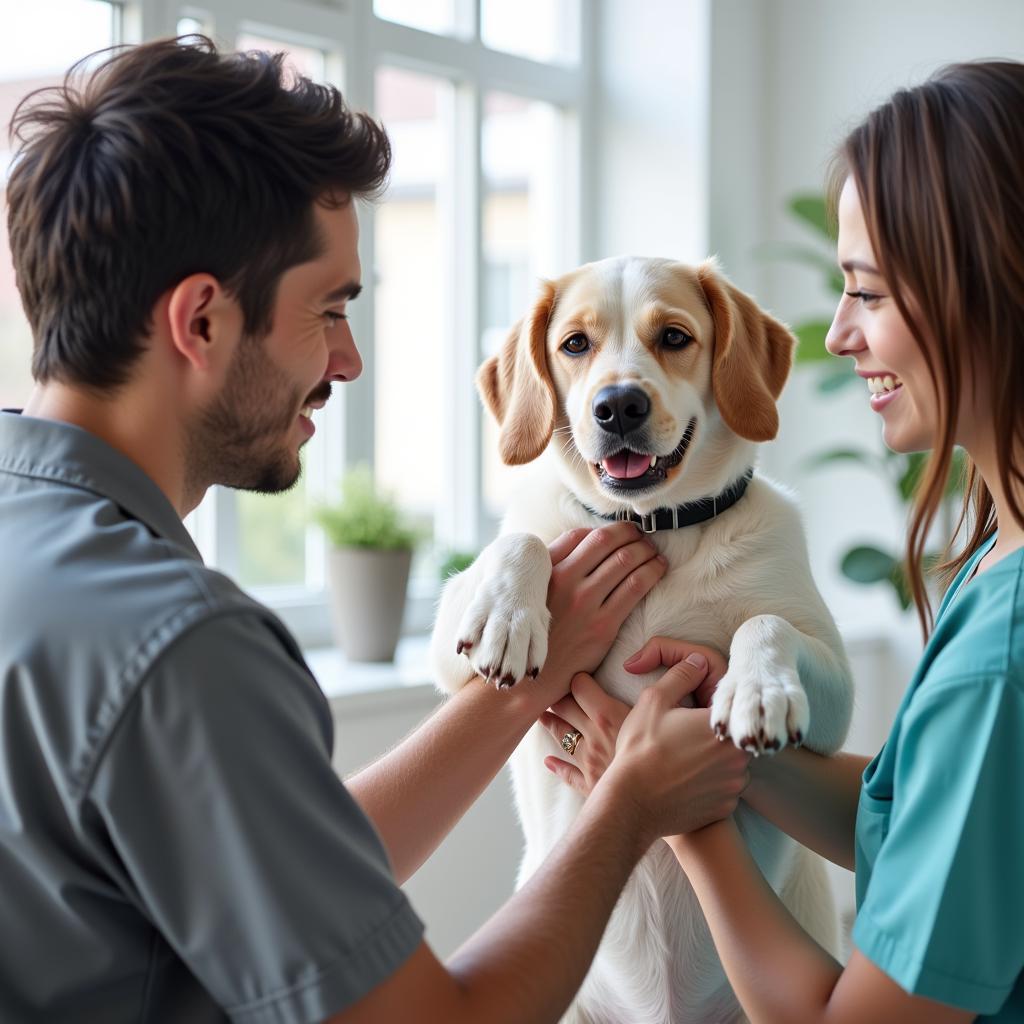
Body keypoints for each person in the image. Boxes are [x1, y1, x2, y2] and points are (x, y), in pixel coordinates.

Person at [0, 36, 752, 1024]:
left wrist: (512, 693)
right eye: (330, 309)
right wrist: (625, 809)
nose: (348, 361)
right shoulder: (181, 646)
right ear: (202, 321)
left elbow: (287, 870)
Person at [542, 60, 1024, 1023]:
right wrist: (706, 754)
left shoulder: (1001, 659)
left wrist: (673, 818)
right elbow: (927, 828)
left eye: (872, 294)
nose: (838, 335)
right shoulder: (994, 560)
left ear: (994, 286)